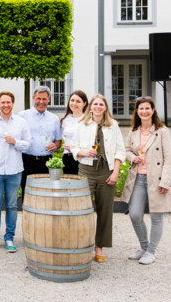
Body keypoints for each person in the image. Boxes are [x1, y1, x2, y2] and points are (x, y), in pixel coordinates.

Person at [71, 94, 125, 263]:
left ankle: (99, 246)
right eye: (95, 104)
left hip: (106, 171)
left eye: (101, 104)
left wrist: (115, 173)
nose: (98, 107)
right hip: (86, 169)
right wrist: (83, 152)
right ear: (90, 107)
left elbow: (120, 151)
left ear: (105, 107)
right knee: (83, 209)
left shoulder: (113, 126)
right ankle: (82, 243)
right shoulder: (82, 125)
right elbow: (73, 147)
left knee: (105, 210)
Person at [122, 97, 171, 265]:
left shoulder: (162, 131)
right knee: (135, 214)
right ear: (137, 112)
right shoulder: (134, 130)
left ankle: (151, 251)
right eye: (140, 109)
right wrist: (133, 158)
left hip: (156, 179)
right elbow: (127, 150)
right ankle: (144, 247)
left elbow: (169, 159)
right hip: (138, 177)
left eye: (147, 108)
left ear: (153, 110)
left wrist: (165, 182)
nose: (144, 111)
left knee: (156, 216)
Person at [0, 91, 31, 253]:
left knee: (11, 206)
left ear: (13, 104)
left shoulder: (21, 123)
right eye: (2, 102)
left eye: (8, 102)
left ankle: (9, 238)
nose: (5, 105)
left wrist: (15, 142)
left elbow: (28, 144)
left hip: (14, 171)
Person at [19, 86, 62, 197]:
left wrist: (55, 146)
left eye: (44, 99)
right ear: (33, 98)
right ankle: (27, 214)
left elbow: (58, 141)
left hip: (47, 162)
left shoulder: (54, 119)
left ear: (49, 99)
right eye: (38, 99)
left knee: (46, 194)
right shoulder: (22, 116)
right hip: (27, 161)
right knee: (27, 193)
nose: (41, 102)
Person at [60, 90, 88, 175]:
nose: (74, 103)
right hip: (67, 158)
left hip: (81, 158)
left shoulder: (87, 120)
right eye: (72, 100)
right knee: (68, 185)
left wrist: (73, 147)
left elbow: (90, 142)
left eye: (78, 101)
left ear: (84, 103)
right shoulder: (65, 120)